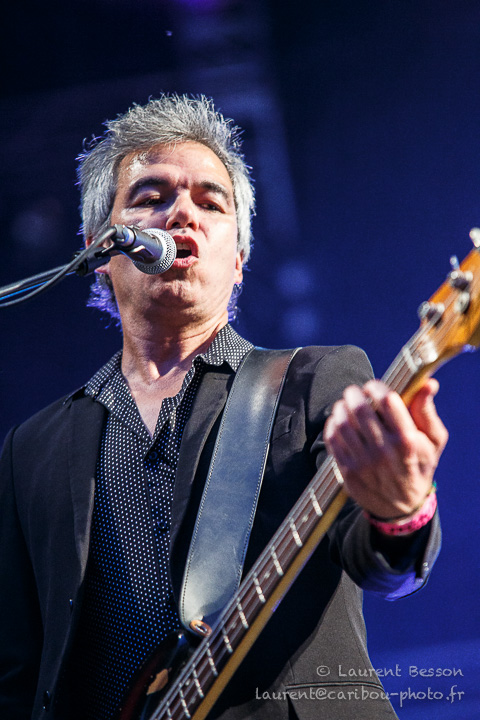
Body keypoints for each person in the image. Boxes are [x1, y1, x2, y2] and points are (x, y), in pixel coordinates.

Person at [0, 94, 447, 720]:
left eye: (212, 203)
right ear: (99, 251)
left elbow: (382, 568)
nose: (183, 212)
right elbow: (18, 674)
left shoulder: (315, 380)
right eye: (151, 197)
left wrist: (402, 512)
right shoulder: (31, 448)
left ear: (238, 261)